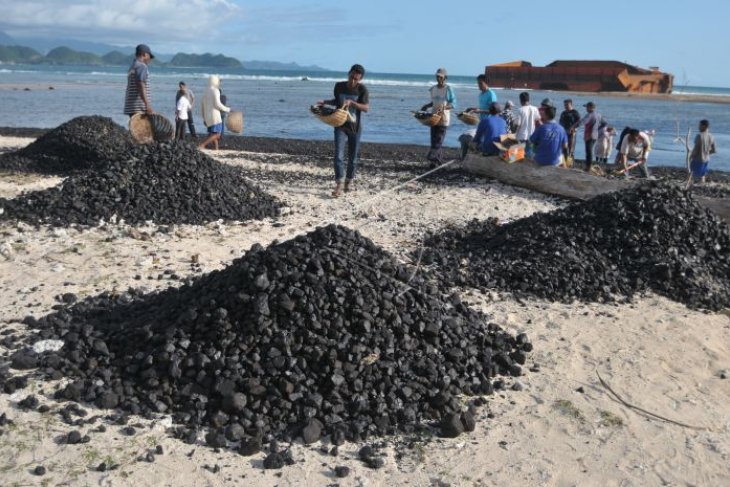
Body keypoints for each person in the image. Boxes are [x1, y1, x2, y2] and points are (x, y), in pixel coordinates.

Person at [317, 64, 370, 197]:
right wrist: (326, 102)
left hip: (355, 127)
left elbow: (366, 108)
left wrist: (352, 103)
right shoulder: (339, 86)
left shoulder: (362, 89)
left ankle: (349, 181)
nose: (353, 81)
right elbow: (337, 101)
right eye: (351, 77)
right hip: (340, 124)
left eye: (356, 79)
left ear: (360, 79)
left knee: (353, 158)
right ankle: (339, 184)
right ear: (348, 74)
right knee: (338, 155)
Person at [421, 68, 456, 167]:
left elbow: (453, 104)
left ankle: (432, 158)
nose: (438, 79)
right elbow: (434, 102)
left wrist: (445, 107)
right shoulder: (433, 89)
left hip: (444, 119)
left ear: (445, 78)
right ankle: (437, 162)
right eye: (437, 77)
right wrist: (427, 106)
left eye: (440, 77)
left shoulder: (448, 89)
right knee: (434, 140)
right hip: (434, 118)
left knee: (439, 141)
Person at [529, 98, 569, 166]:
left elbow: (531, 141)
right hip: (555, 161)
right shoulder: (561, 129)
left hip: (540, 160)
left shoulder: (541, 127)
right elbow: (565, 146)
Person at [198, 74, 230, 150]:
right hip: (215, 116)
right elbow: (218, 104)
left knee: (213, 134)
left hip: (207, 116)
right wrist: (228, 109)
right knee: (218, 135)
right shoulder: (215, 90)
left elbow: (202, 105)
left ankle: (216, 149)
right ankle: (202, 145)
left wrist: (204, 118)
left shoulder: (205, 91)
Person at [570, 101, 602, 172]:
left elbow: (582, 122)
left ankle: (588, 167)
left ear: (590, 107)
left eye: (587, 107)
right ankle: (589, 166)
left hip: (589, 135)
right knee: (589, 151)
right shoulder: (598, 115)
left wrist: (573, 127)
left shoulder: (590, 115)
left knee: (588, 151)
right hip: (595, 135)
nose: (586, 109)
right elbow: (603, 123)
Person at [123, 44, 154, 116]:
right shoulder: (142, 66)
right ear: (144, 54)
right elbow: (140, 84)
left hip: (131, 107)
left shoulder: (133, 66)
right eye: (150, 56)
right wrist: (147, 104)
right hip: (139, 107)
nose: (150, 59)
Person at [688, 119, 717, 186]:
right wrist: (706, 153)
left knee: (691, 172)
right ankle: (702, 185)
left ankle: (689, 184)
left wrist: (690, 157)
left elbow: (696, 149)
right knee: (702, 174)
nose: (698, 127)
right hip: (706, 159)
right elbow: (714, 150)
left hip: (698, 158)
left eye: (700, 125)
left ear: (704, 126)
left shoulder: (699, 136)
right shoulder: (712, 136)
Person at [514, 92, 541, 157]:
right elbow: (538, 122)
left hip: (521, 136)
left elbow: (517, 124)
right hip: (531, 136)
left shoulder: (520, 110)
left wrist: (514, 134)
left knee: (519, 155)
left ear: (520, 100)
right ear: (528, 99)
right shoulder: (535, 109)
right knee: (529, 154)